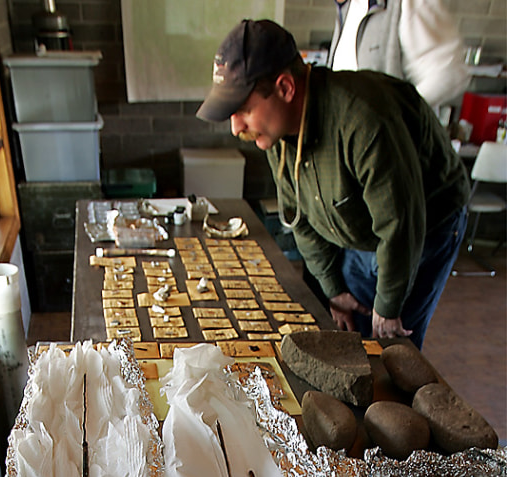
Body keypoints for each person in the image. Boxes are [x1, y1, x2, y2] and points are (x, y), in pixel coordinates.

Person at [197, 18, 469, 349]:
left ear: (285, 88)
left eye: (243, 109)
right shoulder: (276, 134)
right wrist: (334, 288)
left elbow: (400, 226)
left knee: (390, 346)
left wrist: (388, 307)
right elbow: (299, 216)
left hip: (423, 225)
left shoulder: (364, 121)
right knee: (348, 319)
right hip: (360, 219)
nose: (235, 127)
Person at [328, 0, 468, 113]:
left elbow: (449, 72)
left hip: (386, 143)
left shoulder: (409, 3)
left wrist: (392, 116)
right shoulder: (349, 8)